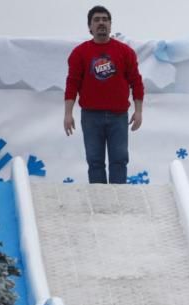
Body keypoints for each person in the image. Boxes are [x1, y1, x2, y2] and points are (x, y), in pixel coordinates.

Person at [64, 5, 144, 184]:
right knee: (95, 161)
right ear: (90, 27)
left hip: (118, 116)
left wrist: (138, 111)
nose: (101, 23)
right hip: (91, 116)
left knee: (119, 160)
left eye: (105, 19)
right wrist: (68, 114)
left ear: (110, 25)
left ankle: (118, 202)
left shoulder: (125, 52)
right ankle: (100, 203)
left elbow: (136, 82)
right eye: (96, 20)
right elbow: (72, 84)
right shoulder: (79, 53)